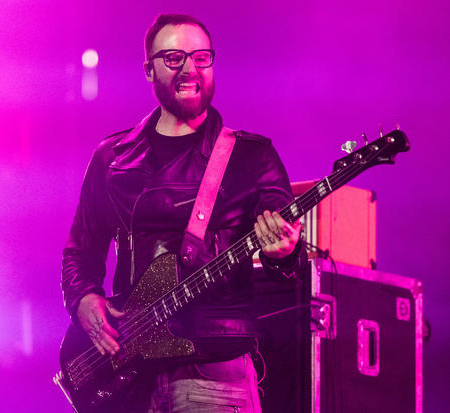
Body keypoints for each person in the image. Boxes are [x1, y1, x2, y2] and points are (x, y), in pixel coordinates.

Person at [61, 13, 306, 412]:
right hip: (126, 367)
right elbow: (80, 251)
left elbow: (287, 256)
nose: (190, 69)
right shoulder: (112, 157)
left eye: (201, 57)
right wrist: (84, 299)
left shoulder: (252, 156)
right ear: (149, 70)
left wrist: (285, 251)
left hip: (212, 370)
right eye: (174, 58)